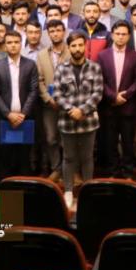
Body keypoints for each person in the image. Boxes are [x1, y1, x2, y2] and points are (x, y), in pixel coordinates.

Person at [54, 31, 104, 207]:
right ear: (69, 48)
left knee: (87, 158)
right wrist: (71, 110)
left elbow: (98, 93)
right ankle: (68, 191)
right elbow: (57, 94)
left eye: (80, 45)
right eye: (73, 45)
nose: (77, 49)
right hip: (67, 121)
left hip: (88, 121)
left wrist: (82, 110)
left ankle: (87, 191)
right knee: (68, 158)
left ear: (85, 46)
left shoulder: (94, 67)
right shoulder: (61, 68)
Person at [0, 30, 39, 179]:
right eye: (9, 42)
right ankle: (6, 190)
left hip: (25, 119)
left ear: (21, 44)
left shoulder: (30, 65)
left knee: (24, 158)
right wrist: (8, 114)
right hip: (4, 119)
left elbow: (34, 90)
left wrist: (23, 114)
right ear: (5, 46)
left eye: (16, 42)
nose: (13, 45)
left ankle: (24, 190)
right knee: (5, 158)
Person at [97, 21, 136, 178]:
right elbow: (99, 80)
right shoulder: (102, 55)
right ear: (112, 35)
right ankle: (113, 172)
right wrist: (113, 96)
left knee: (128, 142)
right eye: (118, 34)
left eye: (124, 34)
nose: (121, 37)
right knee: (110, 143)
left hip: (128, 107)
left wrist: (125, 95)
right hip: (109, 106)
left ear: (128, 36)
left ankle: (128, 172)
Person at [36, 19, 69, 181]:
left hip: (69, 104)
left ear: (64, 32)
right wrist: (48, 99)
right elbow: (39, 80)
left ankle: (68, 170)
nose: (55, 34)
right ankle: (56, 168)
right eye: (52, 31)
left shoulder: (72, 50)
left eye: (58, 30)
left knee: (67, 139)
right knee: (50, 138)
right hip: (49, 105)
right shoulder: (42, 54)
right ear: (48, 34)